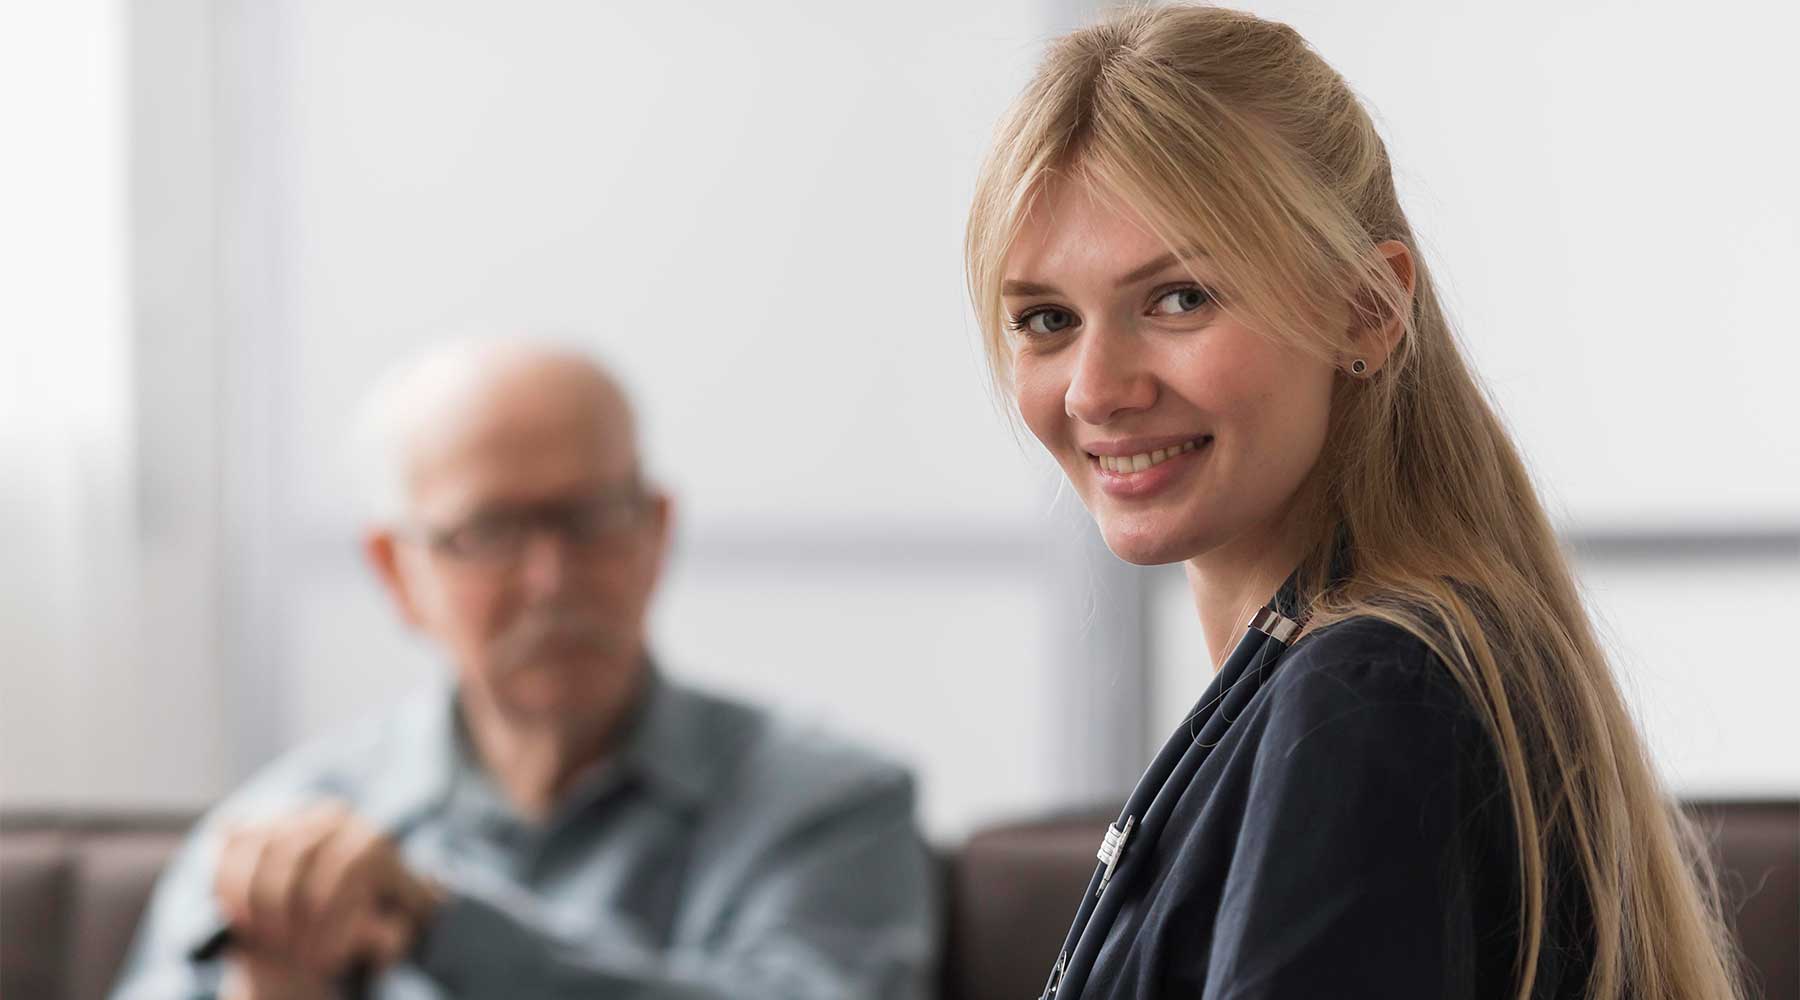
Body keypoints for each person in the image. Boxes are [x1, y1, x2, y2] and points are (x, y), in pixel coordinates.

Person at [964, 7, 1742, 1000]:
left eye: (1179, 298)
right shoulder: (1355, 671)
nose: (1094, 388)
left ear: (1367, 310)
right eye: (1046, 319)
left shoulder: (1368, 696)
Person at [111, 342, 937, 999]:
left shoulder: (832, 804)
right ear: (397, 574)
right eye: (489, 532)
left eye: (590, 519)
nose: (551, 579)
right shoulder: (275, 834)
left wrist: (434, 922)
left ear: (656, 533)